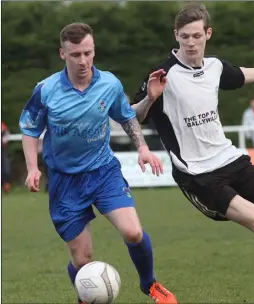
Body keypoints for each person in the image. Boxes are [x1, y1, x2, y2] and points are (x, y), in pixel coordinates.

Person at [131, 4, 254, 304]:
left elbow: (238, 75)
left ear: (208, 34)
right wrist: (150, 98)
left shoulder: (214, 67)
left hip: (231, 160)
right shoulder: (164, 75)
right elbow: (133, 117)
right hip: (198, 176)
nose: (191, 42)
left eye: (196, 35)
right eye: (185, 36)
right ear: (176, 36)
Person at [19, 23, 177, 304]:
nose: (83, 61)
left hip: (103, 171)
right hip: (64, 181)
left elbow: (127, 117)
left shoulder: (109, 84)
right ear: (62, 54)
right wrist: (33, 167)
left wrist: (142, 146)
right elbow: (30, 130)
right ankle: (87, 297)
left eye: (88, 53)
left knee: (133, 231)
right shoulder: (46, 90)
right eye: (76, 54)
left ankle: (150, 285)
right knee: (83, 260)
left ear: (94, 52)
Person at [1, 121, 11, 193]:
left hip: (2, 151)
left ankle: (5, 184)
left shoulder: (2, 125)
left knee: (5, 168)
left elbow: (6, 136)